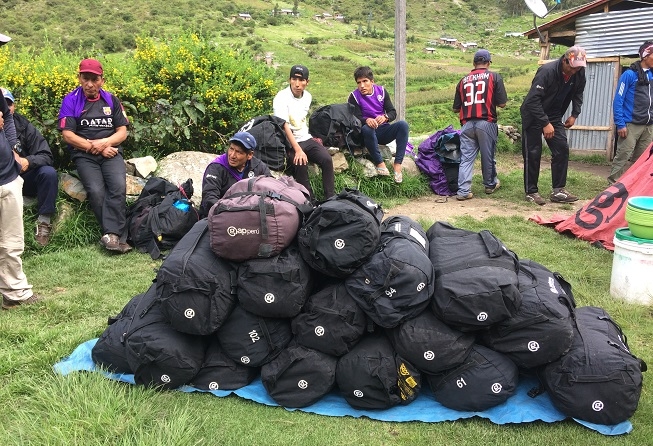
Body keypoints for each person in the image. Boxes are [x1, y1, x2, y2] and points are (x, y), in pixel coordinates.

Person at [58, 58, 131, 253]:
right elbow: (68, 135)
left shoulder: (111, 100)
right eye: (85, 78)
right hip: (84, 155)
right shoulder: (71, 100)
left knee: (117, 186)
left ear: (102, 80)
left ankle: (111, 236)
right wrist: (94, 147)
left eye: (94, 79)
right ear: (79, 78)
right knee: (96, 190)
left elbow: (122, 132)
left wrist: (106, 143)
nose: (89, 84)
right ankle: (113, 234)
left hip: (111, 152)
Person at [0, 33, 40, 310]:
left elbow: (9, 121)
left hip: (7, 177)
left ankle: (15, 292)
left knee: (12, 242)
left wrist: (13, 151)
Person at [521, 45, 587, 205]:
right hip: (533, 114)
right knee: (533, 152)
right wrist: (544, 122)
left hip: (554, 114)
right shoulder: (547, 71)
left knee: (561, 149)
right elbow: (532, 100)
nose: (574, 72)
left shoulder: (579, 72)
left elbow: (578, 93)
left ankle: (558, 191)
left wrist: (574, 114)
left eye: (577, 69)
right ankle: (531, 192)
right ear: (564, 61)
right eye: (572, 68)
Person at [3, 88, 58, 246]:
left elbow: (46, 155)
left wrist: (27, 161)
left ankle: (44, 223)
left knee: (48, 173)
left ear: (13, 106)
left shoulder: (24, 126)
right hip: (2, 179)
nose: (5, 109)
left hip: (22, 177)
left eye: (9, 104)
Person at [273, 64, 335, 199]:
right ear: (289, 79)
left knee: (326, 159)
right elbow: (284, 126)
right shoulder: (281, 98)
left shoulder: (308, 97)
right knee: (300, 163)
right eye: (294, 79)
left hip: (305, 138)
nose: (297, 84)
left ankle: (330, 198)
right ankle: (309, 201)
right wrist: (298, 150)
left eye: (301, 80)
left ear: (307, 82)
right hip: (289, 141)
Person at [452, 49, 508, 201]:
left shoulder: (462, 81)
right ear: (488, 63)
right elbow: (502, 103)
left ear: (473, 63)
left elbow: (456, 108)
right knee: (487, 155)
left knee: (466, 158)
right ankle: (490, 184)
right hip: (486, 122)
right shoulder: (494, 77)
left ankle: (463, 191)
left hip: (467, 125)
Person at [348, 66, 409, 183]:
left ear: (372, 81)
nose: (362, 86)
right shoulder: (354, 97)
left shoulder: (381, 91)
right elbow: (354, 118)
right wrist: (366, 120)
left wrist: (385, 117)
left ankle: (397, 165)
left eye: (365, 81)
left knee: (403, 125)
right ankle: (380, 163)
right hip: (366, 134)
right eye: (359, 82)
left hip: (382, 131)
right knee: (367, 128)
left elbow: (392, 112)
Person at [608, 41, 653, 184]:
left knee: (642, 159)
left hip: (649, 125)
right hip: (630, 124)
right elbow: (618, 100)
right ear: (645, 56)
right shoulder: (629, 75)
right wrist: (620, 124)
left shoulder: (652, 75)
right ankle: (613, 185)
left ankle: (633, 186)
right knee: (623, 155)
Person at [200, 131, 271, 217]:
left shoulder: (258, 167)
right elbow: (209, 198)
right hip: (219, 217)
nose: (232, 155)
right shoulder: (216, 167)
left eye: (239, 152)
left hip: (249, 216)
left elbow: (271, 188)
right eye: (231, 149)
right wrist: (233, 212)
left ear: (249, 155)